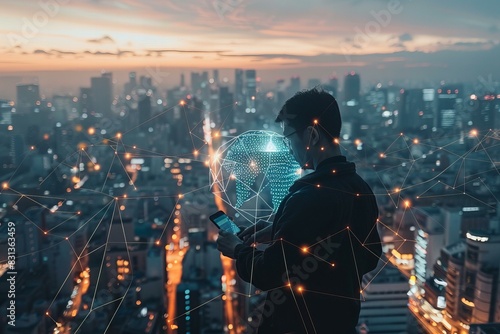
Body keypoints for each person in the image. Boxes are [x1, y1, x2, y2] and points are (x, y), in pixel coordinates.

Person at [216, 88, 381, 333]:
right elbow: (369, 256)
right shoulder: (360, 189)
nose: (288, 147)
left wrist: (237, 250)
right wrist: (280, 231)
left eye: (288, 138)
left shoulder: (307, 197)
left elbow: (269, 273)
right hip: (341, 323)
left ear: (312, 135)